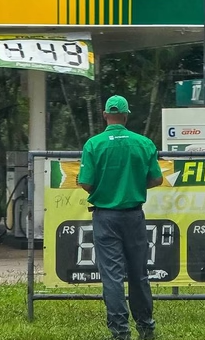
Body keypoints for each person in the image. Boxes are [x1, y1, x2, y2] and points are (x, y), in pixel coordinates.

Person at [78, 95, 164, 340]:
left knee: (112, 276)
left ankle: (120, 332)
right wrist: (136, 186)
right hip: (134, 216)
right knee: (139, 274)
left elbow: (85, 182)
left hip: (105, 217)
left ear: (105, 115)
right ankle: (146, 327)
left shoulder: (93, 145)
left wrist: (104, 191)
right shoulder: (144, 143)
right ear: (126, 115)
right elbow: (156, 179)